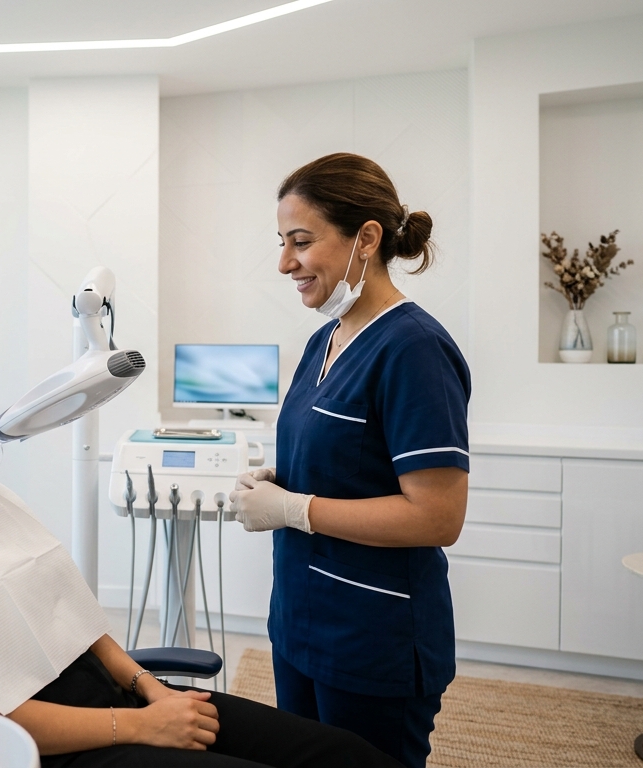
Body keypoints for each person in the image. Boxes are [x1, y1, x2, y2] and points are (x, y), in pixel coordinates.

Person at [0, 330, 399, 768]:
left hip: (119, 700)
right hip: (56, 747)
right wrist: (139, 726)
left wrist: (150, 689)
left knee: (343, 754)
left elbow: (80, 625)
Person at [229, 153, 470, 768]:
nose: (285, 263)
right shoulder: (324, 339)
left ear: (367, 238)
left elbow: (436, 517)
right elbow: (347, 463)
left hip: (374, 638)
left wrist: (293, 508)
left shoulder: (413, 348)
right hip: (301, 623)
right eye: (282, 243)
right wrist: (278, 483)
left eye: (301, 242)